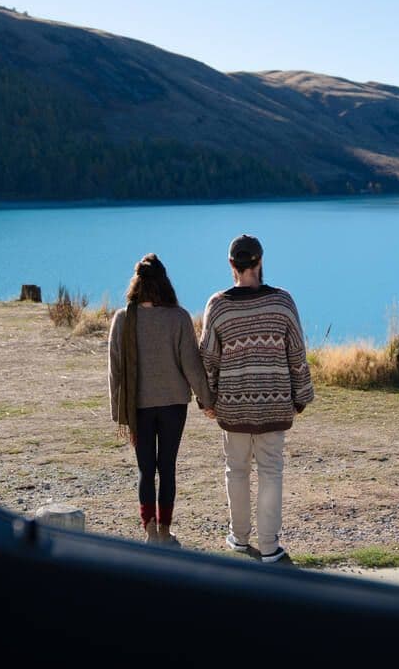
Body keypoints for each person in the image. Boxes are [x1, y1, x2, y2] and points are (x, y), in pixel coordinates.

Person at [199, 234, 314, 563]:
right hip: (275, 403)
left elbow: (208, 359)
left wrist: (207, 401)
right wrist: (300, 396)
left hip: (233, 408)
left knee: (235, 471)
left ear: (231, 265)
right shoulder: (282, 303)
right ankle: (268, 547)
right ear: (261, 262)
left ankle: (239, 537)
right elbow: (297, 355)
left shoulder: (218, 306)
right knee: (270, 472)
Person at [108, 253, 210, 545]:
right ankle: (165, 530)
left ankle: (150, 531)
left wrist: (119, 412)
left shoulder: (123, 318)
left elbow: (115, 369)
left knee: (145, 469)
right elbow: (191, 366)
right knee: (167, 467)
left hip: (137, 406)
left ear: (136, 282)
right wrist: (207, 400)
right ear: (165, 281)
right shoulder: (178, 318)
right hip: (173, 405)